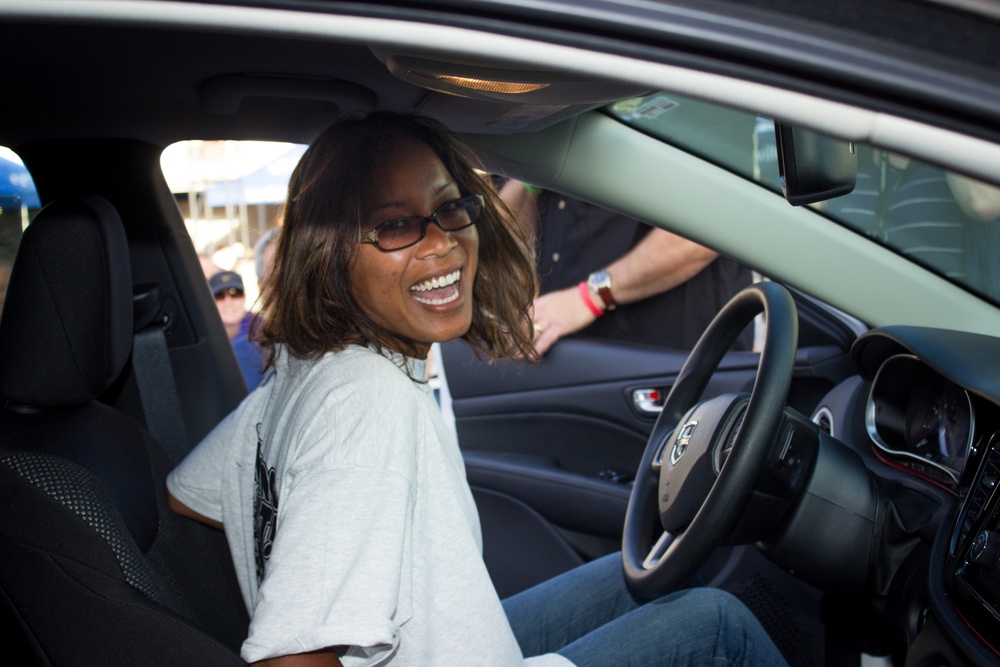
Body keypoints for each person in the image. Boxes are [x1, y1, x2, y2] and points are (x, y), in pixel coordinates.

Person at [166, 112, 787, 667]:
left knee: (651, 571)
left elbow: (189, 499)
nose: (441, 243)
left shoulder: (307, 366)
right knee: (717, 628)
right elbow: (291, 656)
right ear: (329, 254)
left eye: (448, 209)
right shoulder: (364, 400)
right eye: (394, 227)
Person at [500, 180, 753, 356]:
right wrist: (531, 175)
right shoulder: (550, 110)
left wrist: (590, 296)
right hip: (568, 347)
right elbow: (499, 230)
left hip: (670, 354)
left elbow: (716, 217)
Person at [209, 269, 266, 390]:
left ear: (244, 297)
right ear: (210, 301)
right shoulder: (203, 337)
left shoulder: (264, 332)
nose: (228, 302)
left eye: (235, 293)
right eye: (220, 296)